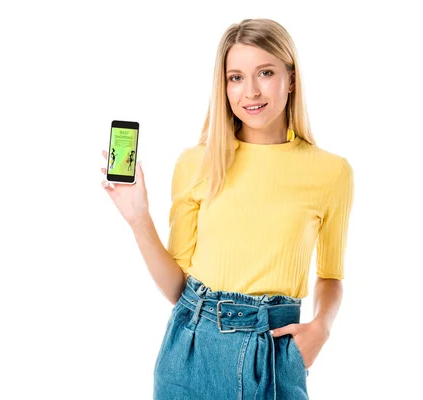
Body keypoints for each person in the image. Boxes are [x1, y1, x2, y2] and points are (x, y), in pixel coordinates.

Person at [100, 18, 353, 399]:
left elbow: (331, 275)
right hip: (189, 352)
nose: (250, 91)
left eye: (265, 72)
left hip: (273, 355)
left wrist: (322, 328)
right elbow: (176, 288)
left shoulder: (331, 172)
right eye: (235, 77)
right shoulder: (197, 163)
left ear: (292, 78)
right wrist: (138, 218)